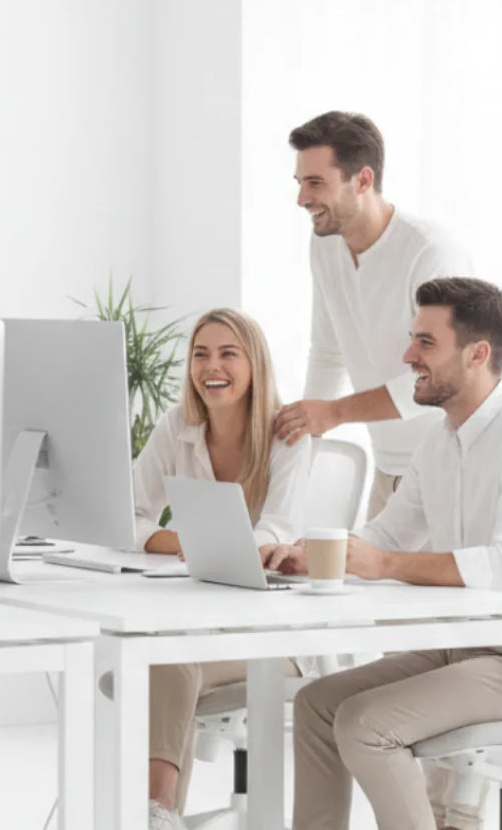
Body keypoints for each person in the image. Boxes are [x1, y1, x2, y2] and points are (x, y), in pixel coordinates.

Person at [261, 278, 502, 830]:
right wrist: (311, 556)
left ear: (477, 354)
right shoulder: (439, 442)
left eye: (425, 343)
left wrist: (383, 565)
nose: (406, 357)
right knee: (317, 706)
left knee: (366, 725)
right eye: (411, 339)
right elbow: (387, 538)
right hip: (467, 650)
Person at [134, 308, 311, 830]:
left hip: (276, 637)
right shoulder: (178, 427)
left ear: (254, 363)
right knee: (158, 655)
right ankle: (154, 812)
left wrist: (216, 546)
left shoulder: (288, 435)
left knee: (166, 658)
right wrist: (183, 542)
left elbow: (275, 531)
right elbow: (128, 512)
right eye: (201, 354)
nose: (212, 366)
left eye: (228, 353)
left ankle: (156, 813)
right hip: (200, 622)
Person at [272, 111, 471, 525]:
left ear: (362, 180)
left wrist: (334, 413)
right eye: (299, 183)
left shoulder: (429, 251)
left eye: (315, 183)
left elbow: (438, 377)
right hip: (389, 471)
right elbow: (328, 354)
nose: (302, 199)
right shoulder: (324, 246)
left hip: (451, 472)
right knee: (372, 587)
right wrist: (306, 436)